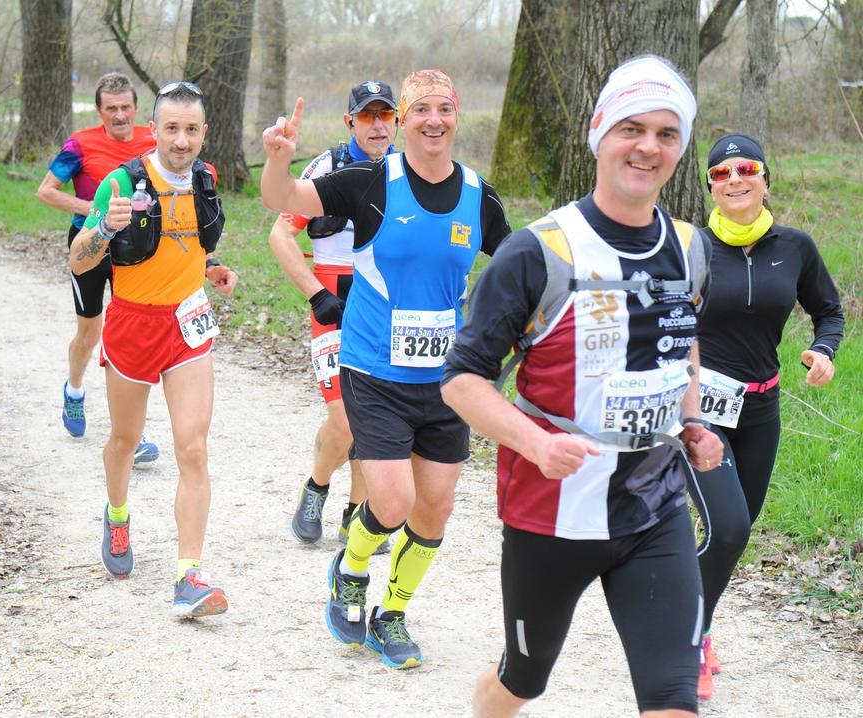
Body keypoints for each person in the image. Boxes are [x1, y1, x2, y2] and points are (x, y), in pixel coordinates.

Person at [440, 55, 724, 718]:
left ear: (679, 149)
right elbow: (460, 382)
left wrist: (691, 422)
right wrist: (534, 445)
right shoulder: (540, 252)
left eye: (666, 133)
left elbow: (679, 342)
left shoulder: (691, 248)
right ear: (599, 133)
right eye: (632, 128)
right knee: (520, 682)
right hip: (552, 513)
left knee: (674, 698)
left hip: (655, 508)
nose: (647, 146)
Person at [262, 69, 512, 669]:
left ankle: (392, 612)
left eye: (444, 108)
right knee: (392, 501)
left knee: (437, 506)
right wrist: (278, 161)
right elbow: (284, 203)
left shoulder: (479, 196)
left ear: (458, 117)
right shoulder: (369, 183)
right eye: (420, 108)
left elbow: (517, 269)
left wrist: (507, 337)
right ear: (402, 120)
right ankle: (350, 572)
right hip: (374, 371)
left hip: (446, 382)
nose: (433, 119)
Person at [69, 81, 238, 617]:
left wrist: (213, 270)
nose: (182, 141)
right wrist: (102, 227)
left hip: (187, 327)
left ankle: (189, 574)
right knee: (124, 439)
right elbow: (79, 261)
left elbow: (189, 246)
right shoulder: (121, 183)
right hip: (132, 325)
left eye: (192, 130)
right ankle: (117, 515)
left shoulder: (207, 180)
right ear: (155, 130)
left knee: (193, 448)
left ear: (203, 133)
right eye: (172, 129)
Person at [686, 133, 844, 700]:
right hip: (700, 409)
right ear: (710, 187)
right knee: (725, 526)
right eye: (720, 173)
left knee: (735, 532)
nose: (734, 180)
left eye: (746, 169)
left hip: (762, 405)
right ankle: (689, 637)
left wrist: (823, 351)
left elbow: (829, 311)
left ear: (765, 178)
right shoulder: (692, 249)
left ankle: (689, 619)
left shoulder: (795, 247)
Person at [270, 80, 398, 552]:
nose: (378, 125)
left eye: (386, 115)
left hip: (385, 306)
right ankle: (317, 486)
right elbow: (280, 237)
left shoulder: (409, 173)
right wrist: (315, 293)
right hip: (334, 301)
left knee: (375, 418)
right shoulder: (327, 167)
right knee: (345, 420)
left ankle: (355, 516)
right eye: (367, 116)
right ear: (350, 123)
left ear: (397, 123)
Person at [36, 72, 161, 463]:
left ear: (136, 108)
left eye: (126, 108)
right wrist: (94, 209)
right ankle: (74, 390)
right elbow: (46, 191)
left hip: (134, 250)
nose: (120, 116)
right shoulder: (81, 144)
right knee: (90, 335)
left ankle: (130, 432)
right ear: (99, 111)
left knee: (126, 338)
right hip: (89, 246)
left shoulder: (152, 140)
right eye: (112, 109)